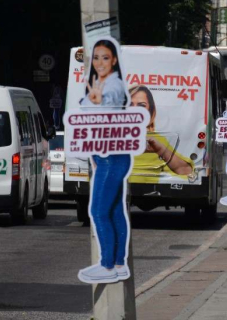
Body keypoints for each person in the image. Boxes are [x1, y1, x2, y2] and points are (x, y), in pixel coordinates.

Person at [78, 39, 132, 284]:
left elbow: (105, 113)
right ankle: (119, 263)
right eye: (96, 58)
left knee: (98, 211)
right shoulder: (103, 83)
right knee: (114, 210)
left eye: (105, 58)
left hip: (110, 157)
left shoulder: (112, 86)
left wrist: (95, 103)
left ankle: (108, 265)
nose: (100, 63)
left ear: (115, 60)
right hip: (110, 155)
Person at [128, 85, 194, 182]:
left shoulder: (157, 140)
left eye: (141, 105)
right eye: (129, 104)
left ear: (150, 111)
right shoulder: (107, 135)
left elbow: (186, 171)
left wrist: (161, 150)